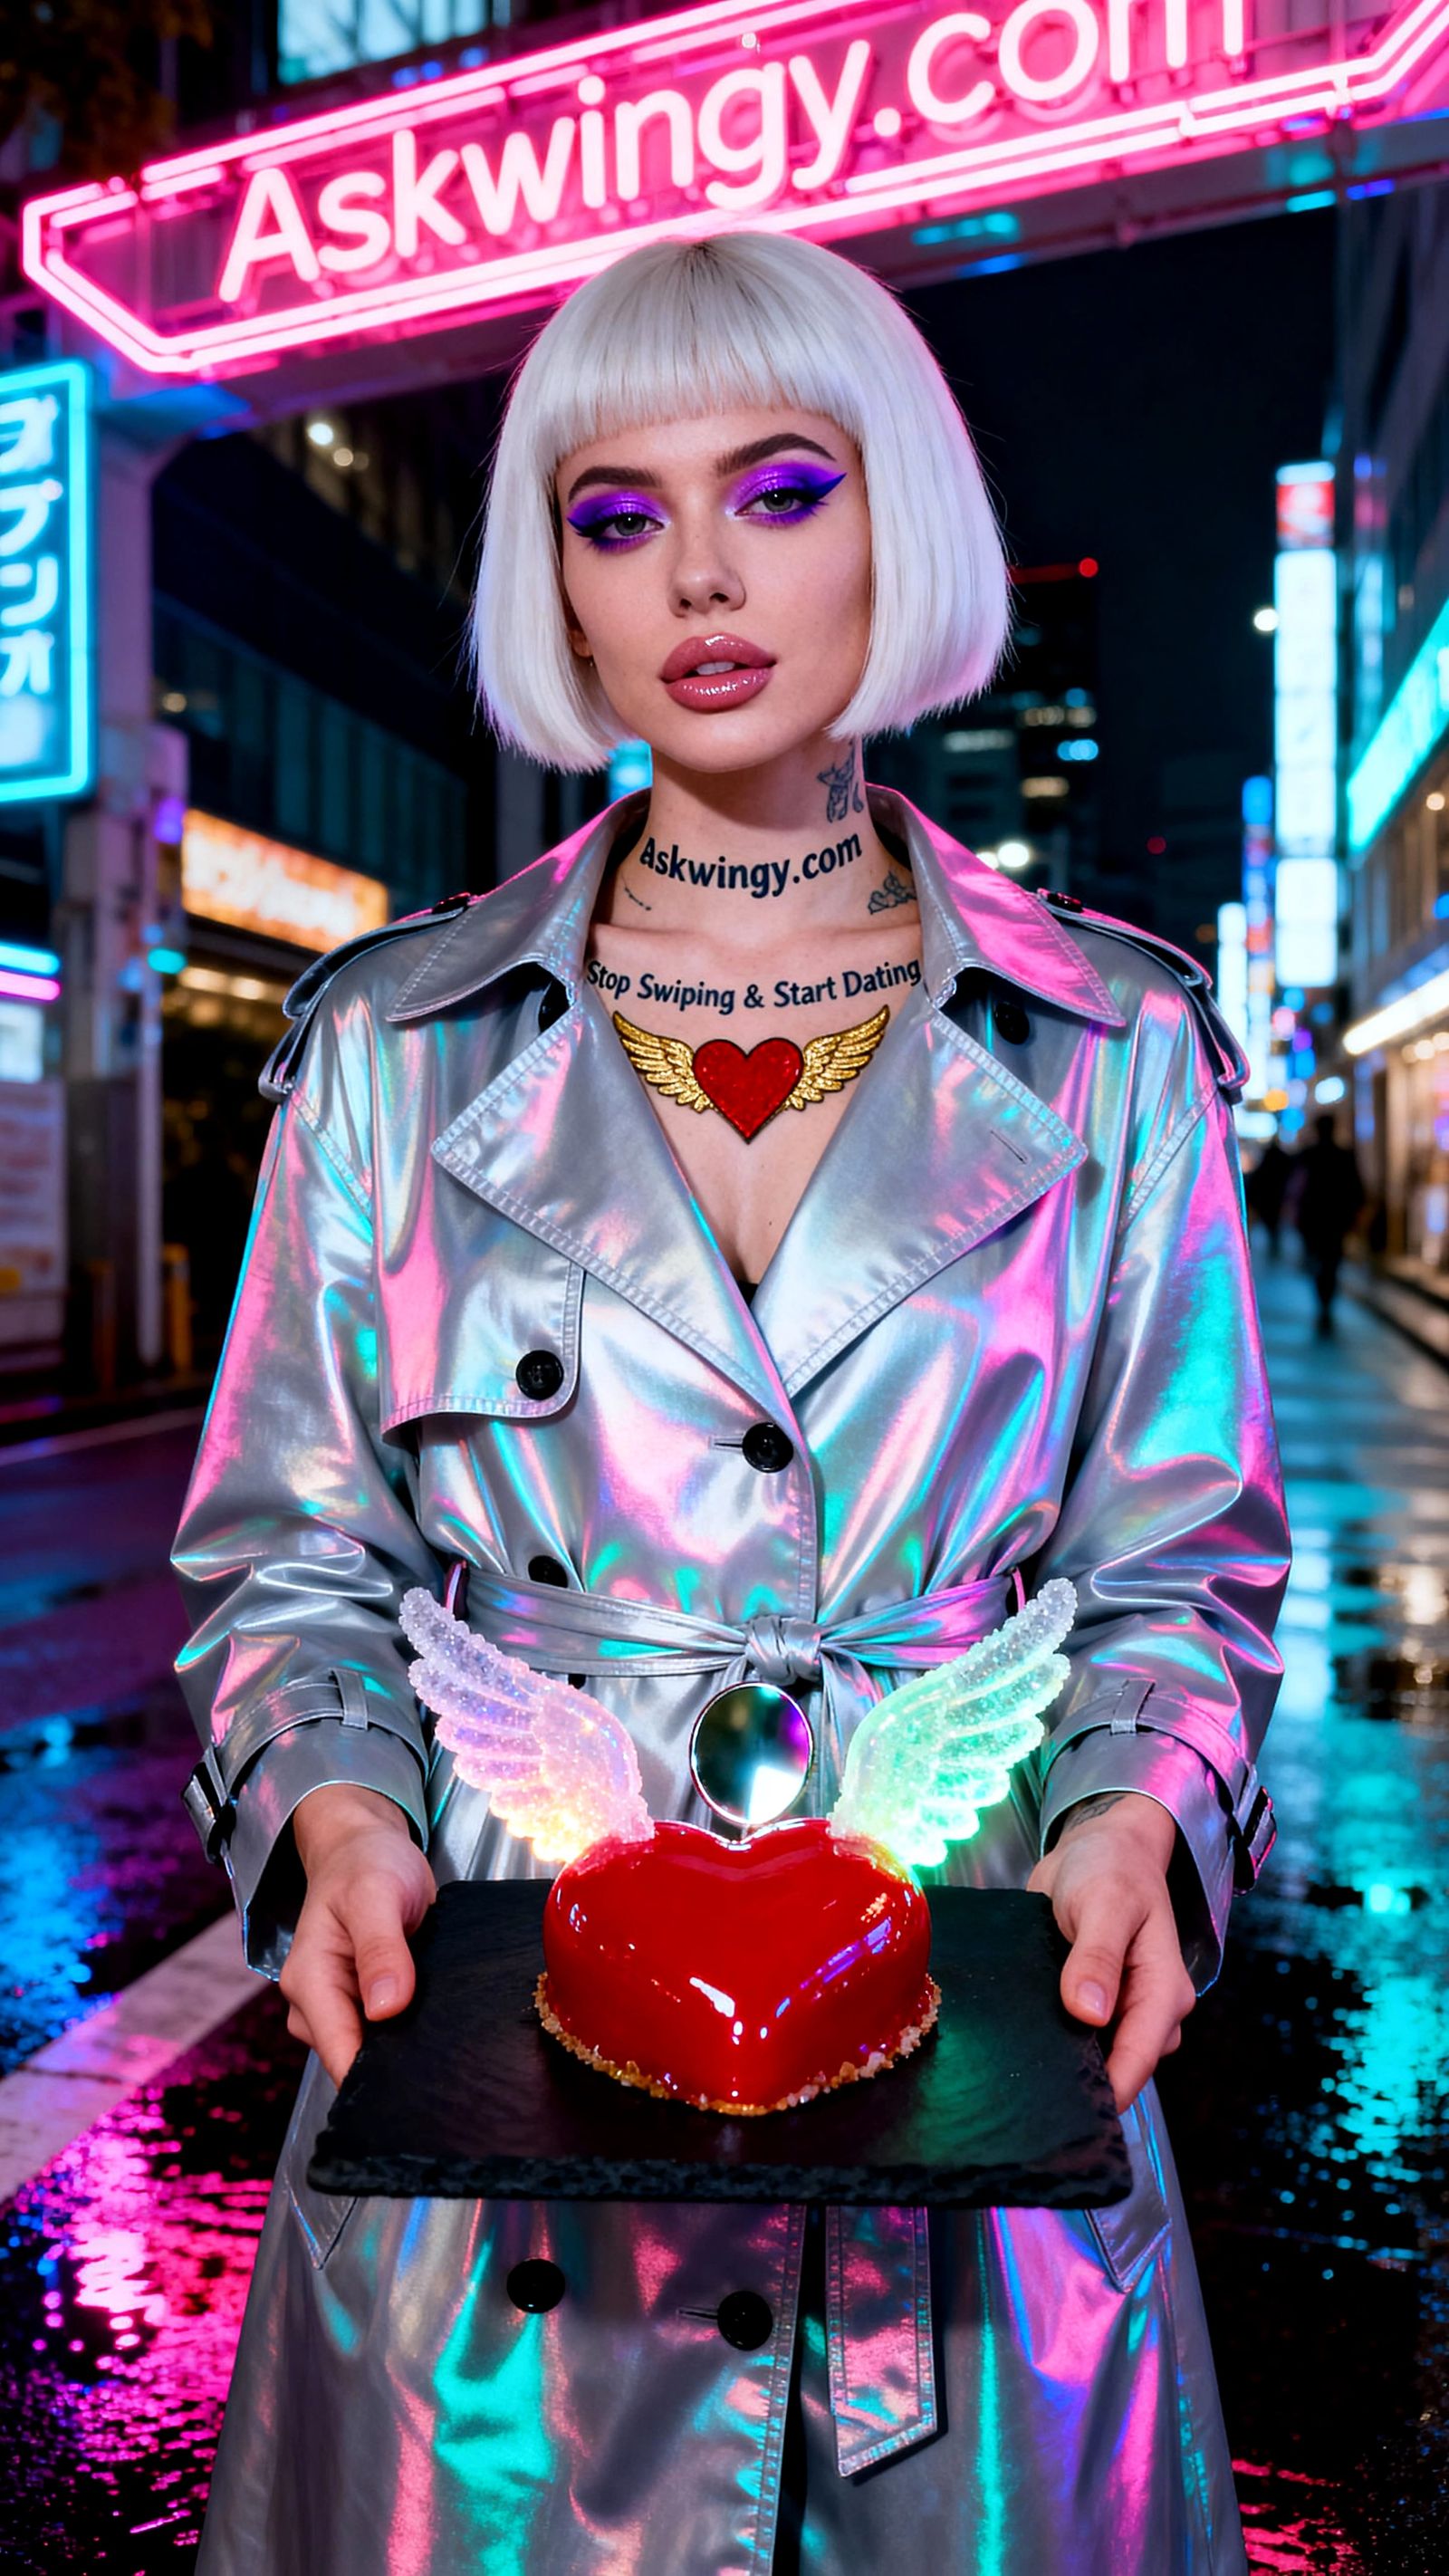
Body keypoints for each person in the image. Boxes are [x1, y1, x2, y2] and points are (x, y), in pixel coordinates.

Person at [172, 233, 1289, 2574]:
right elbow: (289, 1552)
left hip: (966, 2082)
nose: (695, 570)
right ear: (552, 580)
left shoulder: (1110, 1047)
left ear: (902, 521)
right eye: (613, 510)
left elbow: (1180, 1568)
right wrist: (335, 1818)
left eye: (779, 487)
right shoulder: (392, 1048)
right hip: (498, 2140)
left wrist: (1136, 1826)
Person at [1293, 1111, 1366, 1326]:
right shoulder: (1344, 1155)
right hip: (1336, 1219)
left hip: (1314, 1219)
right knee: (1331, 1263)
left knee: (1318, 1261)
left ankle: (1322, 1304)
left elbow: (1298, 1187)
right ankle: (1326, 1305)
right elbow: (1356, 1188)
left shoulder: (1308, 1155)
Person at [1244, 1133, 1294, 1256]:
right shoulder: (1283, 1160)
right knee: (1273, 1226)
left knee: (1263, 1224)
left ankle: (1250, 1246)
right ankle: (1274, 1247)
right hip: (1275, 1197)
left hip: (1266, 1198)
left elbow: (1258, 1180)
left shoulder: (1266, 1162)